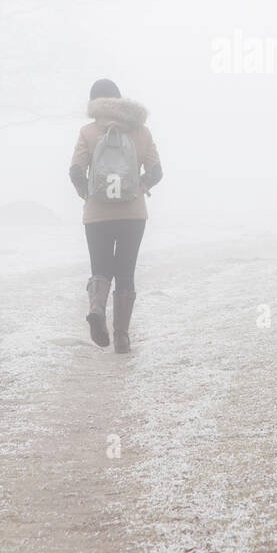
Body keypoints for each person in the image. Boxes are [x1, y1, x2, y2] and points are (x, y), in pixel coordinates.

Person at [69, 78, 162, 354]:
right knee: (126, 272)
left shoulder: (88, 132)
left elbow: (75, 170)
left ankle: (97, 308)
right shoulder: (141, 132)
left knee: (101, 269)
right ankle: (122, 337)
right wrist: (139, 187)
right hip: (133, 214)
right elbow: (157, 171)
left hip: (97, 214)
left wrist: (86, 193)